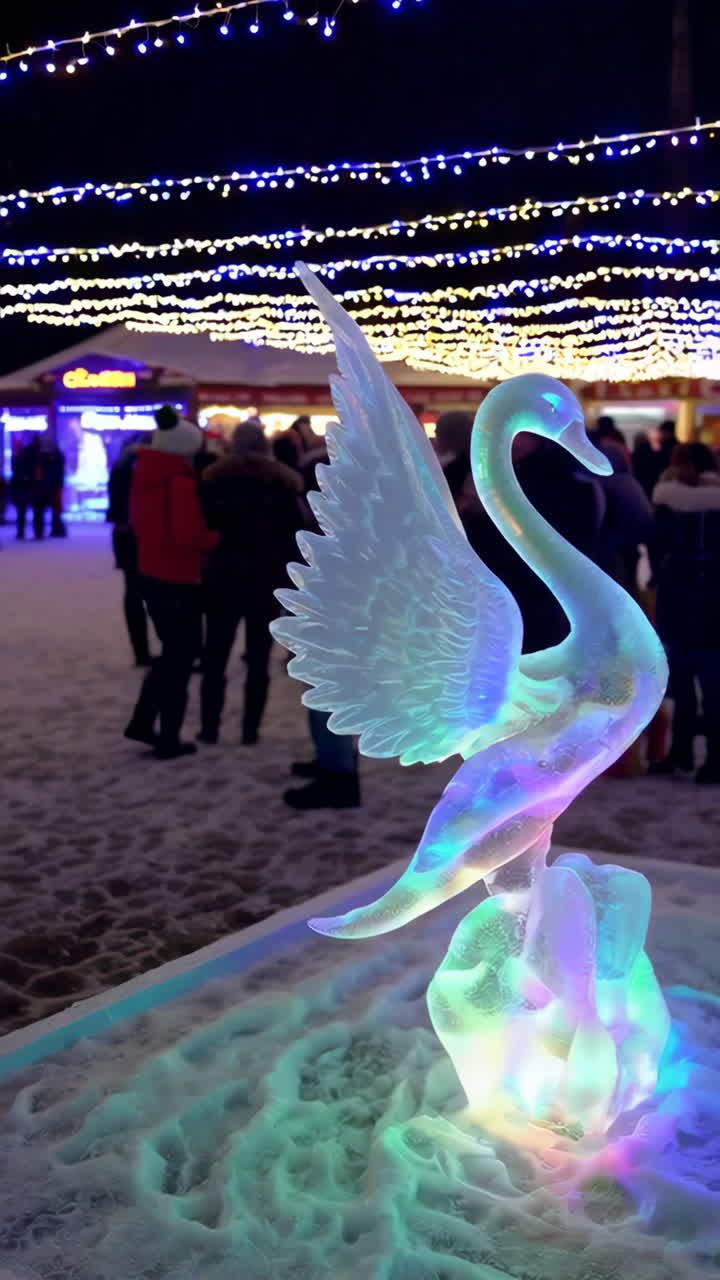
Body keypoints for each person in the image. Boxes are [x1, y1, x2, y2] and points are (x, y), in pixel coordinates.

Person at [198, 419, 304, 745]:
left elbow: (206, 527)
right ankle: (249, 731)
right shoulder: (283, 484)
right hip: (265, 579)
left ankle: (210, 728)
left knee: (214, 659)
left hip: (223, 577)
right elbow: (295, 535)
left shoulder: (214, 480)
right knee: (258, 662)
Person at [125, 406, 217, 759]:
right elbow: (187, 535)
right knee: (181, 657)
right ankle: (167, 736)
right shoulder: (178, 482)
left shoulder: (145, 475)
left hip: (151, 573)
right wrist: (214, 539)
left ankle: (144, 720)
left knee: (172, 654)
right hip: (178, 577)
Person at [283, 424, 362, 809]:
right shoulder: (357, 504)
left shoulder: (350, 512)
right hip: (337, 604)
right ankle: (334, 764)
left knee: (326, 691)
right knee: (324, 691)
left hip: (339, 609)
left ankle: (339, 774)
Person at [649, 442, 720, 783]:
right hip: (714, 603)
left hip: (677, 599)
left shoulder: (666, 500)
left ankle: (680, 752)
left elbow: (656, 542)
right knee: (714, 684)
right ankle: (715, 760)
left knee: (681, 680)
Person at [107, 435, 153, 667]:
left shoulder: (120, 466)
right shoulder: (147, 467)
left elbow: (115, 505)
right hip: (144, 534)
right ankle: (150, 648)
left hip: (124, 535)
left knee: (133, 592)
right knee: (152, 592)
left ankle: (140, 650)